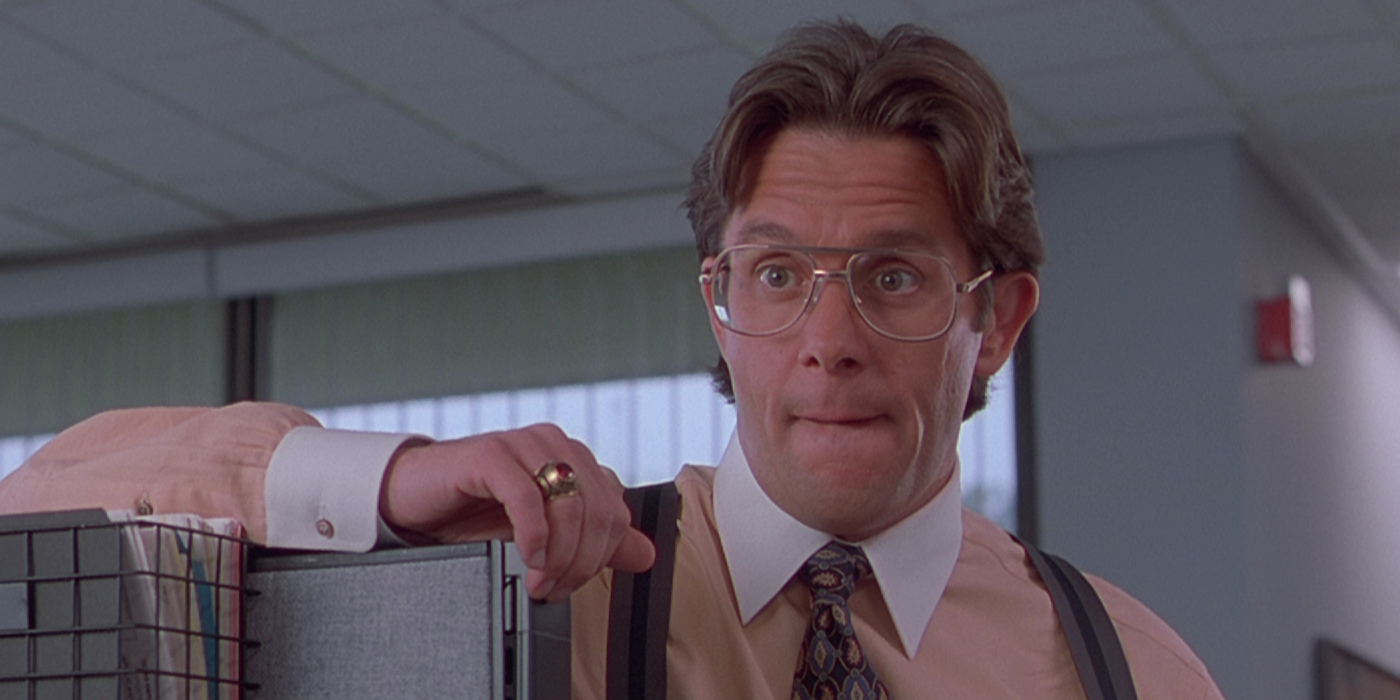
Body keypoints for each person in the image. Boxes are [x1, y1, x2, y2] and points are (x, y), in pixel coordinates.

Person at [0, 20, 1223, 699]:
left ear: (994, 321)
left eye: (891, 277)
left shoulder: (1129, 670)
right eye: (776, 275)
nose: (828, 342)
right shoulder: (530, 584)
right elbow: (42, 503)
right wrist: (391, 483)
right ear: (719, 308)